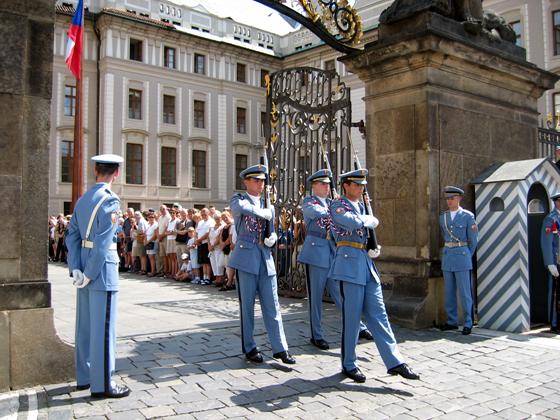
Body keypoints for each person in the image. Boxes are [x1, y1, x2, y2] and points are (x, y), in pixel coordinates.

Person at [329, 169, 419, 383]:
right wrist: (367, 220)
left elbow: (366, 230)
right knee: (352, 319)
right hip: (348, 266)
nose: (361, 188)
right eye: (357, 184)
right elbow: (350, 222)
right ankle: (349, 364)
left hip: (366, 266)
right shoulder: (337, 205)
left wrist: (372, 246)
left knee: (379, 315)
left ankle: (395, 361)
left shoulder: (362, 206)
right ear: (346, 185)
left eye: (362, 185)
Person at [64, 154, 131, 399]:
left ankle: (84, 377)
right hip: (101, 272)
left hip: (83, 269)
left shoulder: (83, 199)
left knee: (84, 327)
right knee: (103, 329)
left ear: (95, 171)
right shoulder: (110, 200)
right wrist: (91, 273)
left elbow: (70, 236)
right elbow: (103, 243)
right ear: (117, 173)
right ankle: (102, 384)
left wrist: (76, 268)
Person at [298, 169, 372, 351]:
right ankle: (316, 335)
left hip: (333, 252)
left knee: (340, 293)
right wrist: (335, 209)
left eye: (328, 184)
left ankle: (359, 327)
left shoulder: (334, 203)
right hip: (316, 253)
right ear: (314, 186)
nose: (326, 186)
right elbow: (317, 213)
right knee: (315, 298)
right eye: (322, 184)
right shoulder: (309, 201)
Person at [229, 164, 295, 365]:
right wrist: (261, 212)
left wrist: (273, 238)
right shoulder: (239, 199)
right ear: (246, 182)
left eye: (262, 180)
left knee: (273, 306)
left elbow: (272, 229)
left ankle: (280, 347)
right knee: (247, 307)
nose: (260, 183)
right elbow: (239, 209)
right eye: (256, 180)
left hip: (265, 259)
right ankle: (249, 347)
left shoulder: (270, 206)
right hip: (246, 258)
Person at [439, 186, 478, 336]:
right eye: (447, 198)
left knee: (465, 291)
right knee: (449, 291)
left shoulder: (467, 216)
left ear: (459, 198)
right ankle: (452, 321)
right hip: (448, 255)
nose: (449, 201)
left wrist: (467, 255)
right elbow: (444, 235)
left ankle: (468, 322)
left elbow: (473, 240)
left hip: (462, 255)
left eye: (452, 198)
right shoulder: (443, 217)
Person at [540, 192, 560, 333]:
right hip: (556, 260)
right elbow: (546, 243)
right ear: (556, 202)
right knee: (555, 293)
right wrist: (549, 263)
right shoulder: (551, 219)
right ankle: (554, 323)